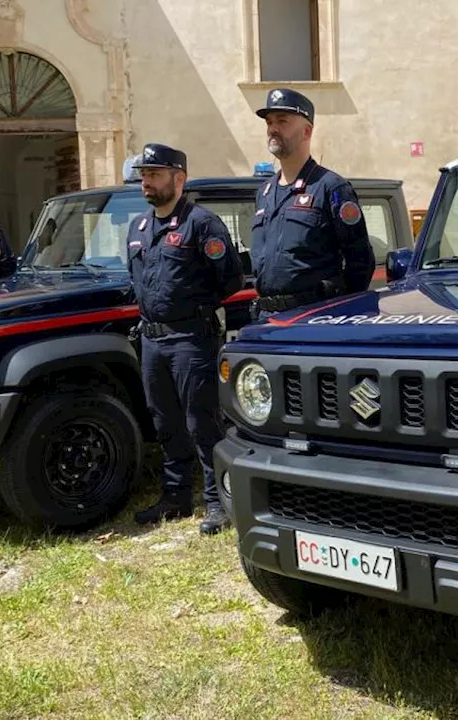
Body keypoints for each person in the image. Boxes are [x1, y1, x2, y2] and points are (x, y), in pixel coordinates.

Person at [125, 142, 244, 533]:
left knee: (202, 422)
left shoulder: (201, 224)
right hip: (152, 342)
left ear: (179, 178)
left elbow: (229, 280)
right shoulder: (138, 227)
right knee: (165, 422)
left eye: (155, 174)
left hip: (191, 339)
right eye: (144, 175)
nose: (147, 182)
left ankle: (217, 501)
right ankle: (175, 498)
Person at [248, 88, 375, 322]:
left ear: (306, 131)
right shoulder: (264, 193)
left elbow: (360, 262)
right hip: (266, 318)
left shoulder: (330, 188)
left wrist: (338, 313)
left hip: (313, 317)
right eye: (269, 122)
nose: (273, 129)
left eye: (282, 121)